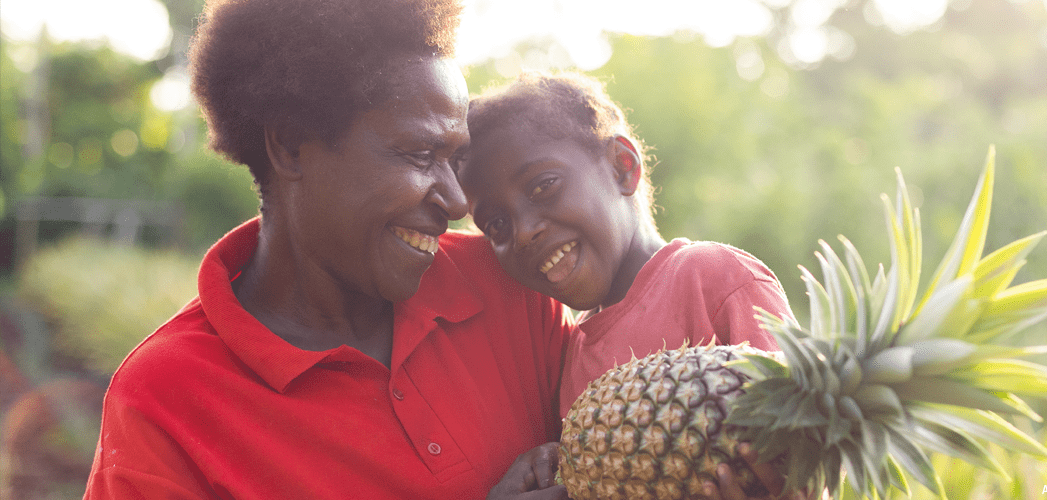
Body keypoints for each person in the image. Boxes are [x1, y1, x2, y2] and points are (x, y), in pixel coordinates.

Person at [82, 1, 573, 498]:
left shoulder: (512, 291)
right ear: (292, 145)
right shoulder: (164, 402)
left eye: (457, 159)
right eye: (420, 155)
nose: (456, 200)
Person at [456, 69, 796, 456]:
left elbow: (802, 443)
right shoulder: (572, 356)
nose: (524, 232)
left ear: (622, 165)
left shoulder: (713, 278)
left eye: (542, 186)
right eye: (497, 224)